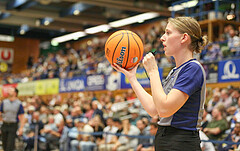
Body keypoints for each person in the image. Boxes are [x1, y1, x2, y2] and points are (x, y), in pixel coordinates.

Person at [112, 16, 207, 151]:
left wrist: (153, 72)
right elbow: (153, 109)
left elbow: (164, 109)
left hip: (181, 140)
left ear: (184, 38)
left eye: (168, 33)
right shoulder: (175, 71)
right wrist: (132, 78)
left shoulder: (193, 68)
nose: (162, 38)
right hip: (165, 137)